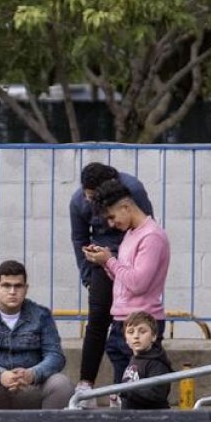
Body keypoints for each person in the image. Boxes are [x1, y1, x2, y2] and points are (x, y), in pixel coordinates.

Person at [68, 163, 154, 406]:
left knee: (126, 326)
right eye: (89, 196)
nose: (91, 201)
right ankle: (86, 384)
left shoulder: (133, 190)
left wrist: (133, 264)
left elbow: (145, 227)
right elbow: (79, 238)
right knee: (97, 320)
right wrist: (88, 274)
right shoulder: (78, 202)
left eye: (95, 197)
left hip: (129, 260)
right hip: (101, 262)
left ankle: (123, 386)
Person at [82, 178, 170, 406]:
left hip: (142, 321)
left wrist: (109, 260)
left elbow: (138, 283)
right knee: (124, 390)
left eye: (112, 216)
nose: (111, 224)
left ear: (126, 207)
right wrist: (105, 262)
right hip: (124, 320)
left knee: (137, 392)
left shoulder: (151, 236)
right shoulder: (132, 234)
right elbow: (125, 280)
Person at [0, 260, 74, 410]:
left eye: (18, 286)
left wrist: (32, 374)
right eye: (6, 285)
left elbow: (55, 356)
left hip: (30, 389)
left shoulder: (41, 315)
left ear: (26, 288)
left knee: (62, 385)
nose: (12, 291)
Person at [119, 310, 172, 410]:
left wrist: (127, 391)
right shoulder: (134, 359)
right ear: (126, 339)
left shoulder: (157, 363)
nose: (136, 336)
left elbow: (157, 394)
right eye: (130, 332)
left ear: (153, 336)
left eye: (142, 331)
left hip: (152, 420)